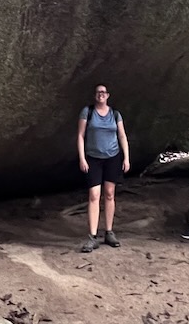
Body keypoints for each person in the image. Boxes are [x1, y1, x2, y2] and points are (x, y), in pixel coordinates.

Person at [77, 84, 130, 253]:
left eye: (104, 92)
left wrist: (126, 157)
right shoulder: (88, 112)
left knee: (109, 194)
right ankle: (92, 237)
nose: (101, 95)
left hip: (112, 157)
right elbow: (80, 135)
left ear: (108, 95)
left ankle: (109, 232)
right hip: (93, 158)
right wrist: (82, 158)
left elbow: (122, 135)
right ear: (95, 95)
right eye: (98, 92)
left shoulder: (115, 114)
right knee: (94, 195)